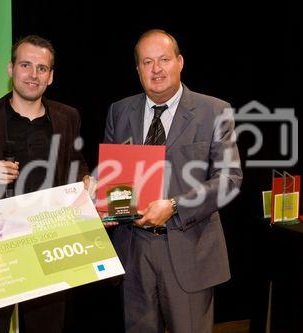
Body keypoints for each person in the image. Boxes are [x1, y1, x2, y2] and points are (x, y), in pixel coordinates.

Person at [103, 29, 243, 332]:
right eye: (147, 62)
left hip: (189, 249)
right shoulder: (120, 111)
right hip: (134, 252)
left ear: (180, 62)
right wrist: (108, 202)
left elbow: (230, 179)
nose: (156, 69)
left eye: (164, 59)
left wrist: (175, 205)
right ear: (137, 69)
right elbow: (115, 178)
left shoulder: (214, 110)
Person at [0, 35, 90, 333]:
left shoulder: (68, 117)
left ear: (51, 76)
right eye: (26, 65)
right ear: (11, 69)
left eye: (42, 68)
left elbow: (74, 163)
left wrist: (85, 182)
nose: (33, 74)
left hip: (50, 240)